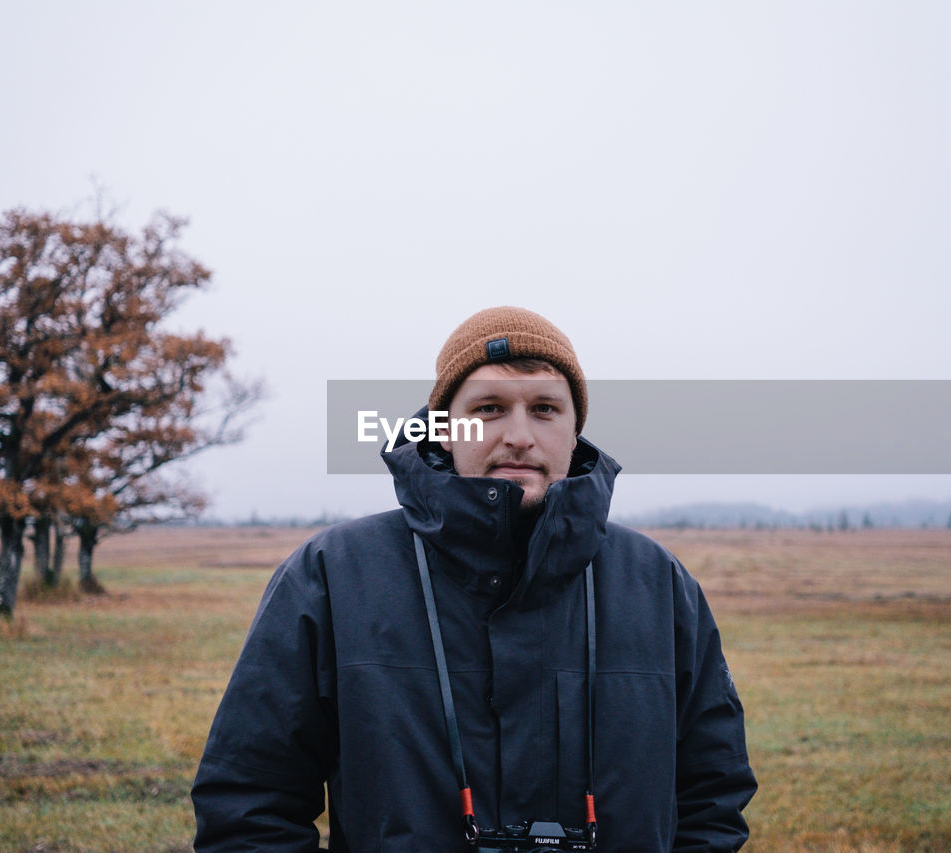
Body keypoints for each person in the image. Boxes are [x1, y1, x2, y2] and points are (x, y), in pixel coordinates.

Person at [192, 306, 756, 851]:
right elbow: (249, 801)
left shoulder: (657, 584)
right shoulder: (331, 576)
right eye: (488, 409)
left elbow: (713, 794)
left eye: (544, 409)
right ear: (442, 428)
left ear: (574, 428)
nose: (518, 435)